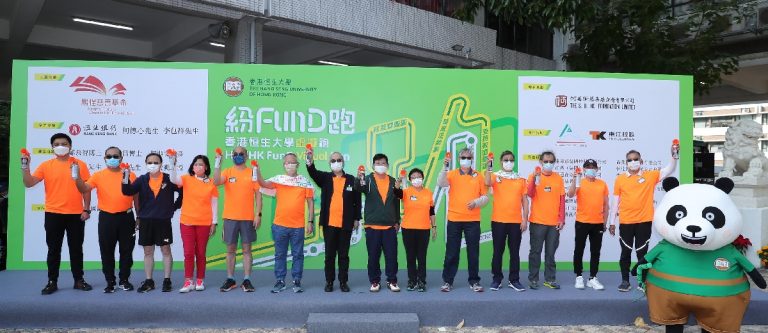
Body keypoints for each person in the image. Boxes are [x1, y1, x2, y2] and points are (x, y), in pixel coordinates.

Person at [22, 133, 92, 295]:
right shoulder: (46, 165)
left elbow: (86, 189)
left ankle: (78, 280)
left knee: (76, 248)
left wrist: (86, 208)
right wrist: (26, 168)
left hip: (76, 214)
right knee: (54, 249)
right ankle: (52, 281)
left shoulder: (79, 164)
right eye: (57, 143)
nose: (61, 146)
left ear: (70, 146)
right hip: (53, 214)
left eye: (64, 143)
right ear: (52, 147)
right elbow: (29, 183)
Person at [609, 146, 678, 292]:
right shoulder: (620, 179)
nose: (633, 162)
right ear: (626, 162)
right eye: (630, 160)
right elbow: (615, 201)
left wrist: (674, 155)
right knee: (625, 253)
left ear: (641, 161)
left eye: (635, 159)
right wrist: (612, 222)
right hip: (626, 222)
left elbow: (669, 169)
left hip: (644, 221)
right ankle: (625, 281)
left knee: (642, 254)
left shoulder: (650, 176)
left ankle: (642, 282)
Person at [74, 146, 138, 293]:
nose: (112, 159)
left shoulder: (129, 174)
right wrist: (77, 177)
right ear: (104, 158)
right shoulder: (98, 175)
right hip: (107, 218)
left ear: (121, 158)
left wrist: (139, 216)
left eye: (115, 156)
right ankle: (110, 281)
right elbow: (84, 188)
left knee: (127, 251)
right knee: (106, 251)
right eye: (109, 156)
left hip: (126, 217)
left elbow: (136, 197)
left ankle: (124, 280)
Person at [255, 153, 315, 293]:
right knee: (280, 254)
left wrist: (310, 221)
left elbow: (310, 203)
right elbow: (263, 183)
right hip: (280, 225)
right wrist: (257, 171)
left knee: (298, 255)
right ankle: (280, 281)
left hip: (298, 226)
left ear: (297, 165)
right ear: (284, 165)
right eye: (287, 163)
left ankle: (297, 280)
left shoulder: (304, 182)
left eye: (292, 162)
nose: (289, 165)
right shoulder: (279, 180)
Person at [122, 152, 182, 293]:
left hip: (163, 221)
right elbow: (127, 191)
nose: (153, 164)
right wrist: (125, 175)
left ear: (161, 164)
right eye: (150, 162)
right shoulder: (142, 179)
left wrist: (174, 207)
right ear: (146, 163)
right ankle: (149, 281)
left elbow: (182, 192)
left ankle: (167, 280)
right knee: (148, 252)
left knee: (165, 250)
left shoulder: (169, 179)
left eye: (156, 162)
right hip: (146, 221)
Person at [306, 150, 361, 293]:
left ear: (343, 161)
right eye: (333, 160)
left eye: (339, 159)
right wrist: (310, 160)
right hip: (329, 223)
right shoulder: (324, 178)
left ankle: (343, 282)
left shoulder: (351, 179)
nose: (336, 162)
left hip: (346, 223)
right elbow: (313, 172)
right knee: (329, 255)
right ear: (330, 163)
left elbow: (357, 201)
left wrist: (356, 219)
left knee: (344, 255)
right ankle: (329, 281)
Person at [437, 147, 488, 292]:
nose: (466, 160)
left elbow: (485, 197)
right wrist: (444, 167)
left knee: (473, 252)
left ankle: (474, 281)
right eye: (463, 157)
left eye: (468, 157)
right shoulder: (451, 174)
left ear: (472, 159)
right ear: (459, 159)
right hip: (454, 219)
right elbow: (441, 183)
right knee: (452, 252)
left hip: (473, 220)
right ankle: (448, 281)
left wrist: (476, 203)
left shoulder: (479, 176)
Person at [212, 146, 262, 292]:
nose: (238, 156)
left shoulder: (252, 173)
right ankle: (230, 279)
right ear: (232, 156)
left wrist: (258, 214)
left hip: (247, 218)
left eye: (241, 154)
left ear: (246, 156)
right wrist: (217, 164)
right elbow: (215, 181)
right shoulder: (228, 172)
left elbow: (258, 195)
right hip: (230, 217)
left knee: (247, 250)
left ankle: (247, 280)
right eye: (235, 154)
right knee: (230, 250)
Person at [170, 153, 219, 293]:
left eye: (201, 164)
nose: (198, 166)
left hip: (204, 222)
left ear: (206, 167)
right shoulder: (186, 179)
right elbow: (173, 179)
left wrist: (214, 222)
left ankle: (200, 279)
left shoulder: (211, 183)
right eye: (195, 164)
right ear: (192, 166)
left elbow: (214, 204)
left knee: (201, 252)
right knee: (188, 252)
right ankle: (188, 281)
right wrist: (172, 163)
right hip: (187, 221)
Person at [354, 153, 401, 292]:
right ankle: (374, 281)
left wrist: (397, 220)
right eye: (378, 163)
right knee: (373, 256)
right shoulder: (367, 179)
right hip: (372, 225)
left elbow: (396, 202)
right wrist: (359, 178)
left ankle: (392, 280)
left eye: (383, 163)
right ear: (374, 165)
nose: (381, 165)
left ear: (387, 165)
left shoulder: (393, 181)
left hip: (389, 226)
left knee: (391, 256)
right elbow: (359, 188)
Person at [484, 150, 528, 292]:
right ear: (501, 162)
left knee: (514, 252)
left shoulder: (520, 179)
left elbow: (525, 201)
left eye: (511, 160)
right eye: (506, 160)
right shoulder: (495, 177)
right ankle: (497, 279)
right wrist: (488, 168)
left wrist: (525, 219)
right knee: (498, 251)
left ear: (514, 162)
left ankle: (514, 280)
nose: (509, 162)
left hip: (516, 222)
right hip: (498, 221)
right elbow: (486, 182)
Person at [566, 159, 609, 291]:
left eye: (593, 167)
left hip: (597, 223)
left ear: (597, 169)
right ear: (584, 169)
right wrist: (574, 179)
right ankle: (579, 276)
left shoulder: (602, 184)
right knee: (579, 250)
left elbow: (606, 205)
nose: (591, 169)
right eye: (588, 167)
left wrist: (604, 222)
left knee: (595, 251)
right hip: (582, 222)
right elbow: (570, 194)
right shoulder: (580, 182)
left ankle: (592, 278)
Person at [526, 150, 565, 290]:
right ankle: (533, 279)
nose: (548, 164)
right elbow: (530, 194)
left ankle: (550, 279)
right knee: (535, 252)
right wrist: (534, 179)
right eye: (546, 161)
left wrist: (562, 219)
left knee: (551, 253)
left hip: (553, 223)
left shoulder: (558, 178)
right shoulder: (533, 176)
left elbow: (562, 199)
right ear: (540, 162)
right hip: (537, 222)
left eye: (551, 161)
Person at [396, 168, 435, 292]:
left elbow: (432, 212)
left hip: (424, 229)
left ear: (422, 178)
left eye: (418, 176)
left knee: (422, 257)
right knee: (411, 256)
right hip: (408, 229)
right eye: (413, 177)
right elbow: (397, 193)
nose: (416, 179)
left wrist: (434, 227)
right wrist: (397, 184)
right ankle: (412, 281)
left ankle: (422, 281)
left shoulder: (428, 192)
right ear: (410, 180)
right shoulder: (406, 191)